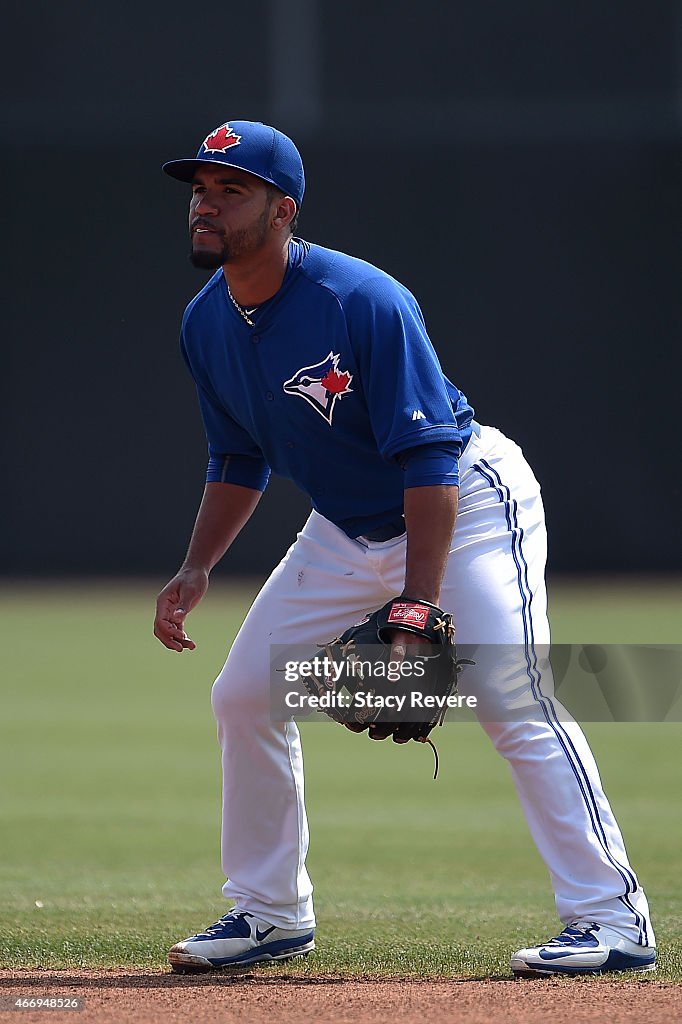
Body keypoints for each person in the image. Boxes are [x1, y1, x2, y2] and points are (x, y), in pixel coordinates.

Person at [154, 119, 656, 977]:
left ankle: (612, 920)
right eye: (200, 189)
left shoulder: (362, 301)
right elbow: (236, 457)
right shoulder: (207, 322)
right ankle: (270, 912)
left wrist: (418, 604)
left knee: (510, 694)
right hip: (347, 525)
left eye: (230, 191)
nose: (206, 205)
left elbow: (426, 457)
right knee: (244, 696)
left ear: (283, 210)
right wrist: (197, 565)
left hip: (463, 498)